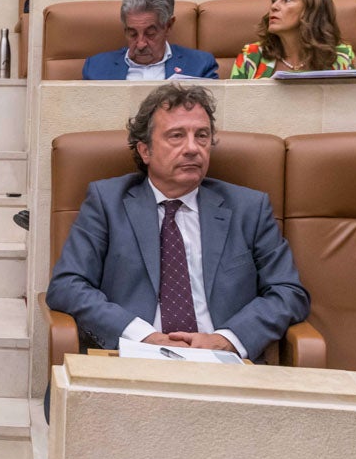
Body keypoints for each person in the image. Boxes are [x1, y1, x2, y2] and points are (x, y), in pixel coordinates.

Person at [46, 83, 308, 360]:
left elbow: (288, 292)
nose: (193, 148)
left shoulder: (248, 208)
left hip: (220, 363)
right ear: (145, 150)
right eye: (176, 136)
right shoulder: (107, 202)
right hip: (133, 358)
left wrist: (227, 339)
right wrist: (143, 335)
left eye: (202, 136)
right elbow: (68, 285)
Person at [82, 0, 218, 80]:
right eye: (132, 34)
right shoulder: (95, 68)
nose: (140, 44)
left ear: (169, 26)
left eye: (150, 34)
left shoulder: (200, 66)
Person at [230, 0, 354, 78]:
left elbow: (348, 104)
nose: (274, 7)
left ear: (312, 9)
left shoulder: (339, 56)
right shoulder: (251, 55)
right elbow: (233, 103)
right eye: (274, 0)